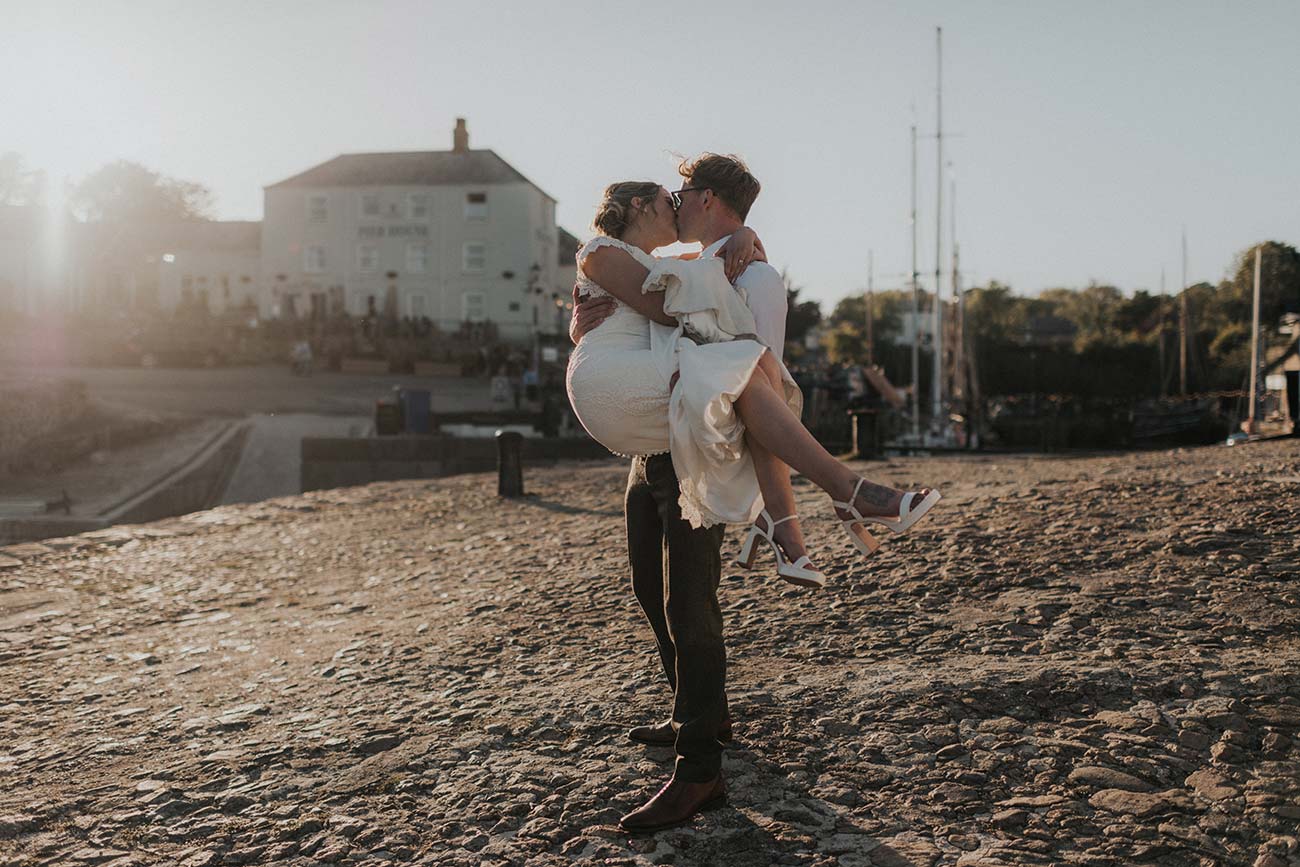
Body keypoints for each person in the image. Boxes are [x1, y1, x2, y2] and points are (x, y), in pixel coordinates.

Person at [567, 154, 941, 832]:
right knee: (650, 588)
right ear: (635, 210)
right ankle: (698, 712)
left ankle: (699, 768)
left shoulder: (719, 269)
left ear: (706, 198)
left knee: (690, 602)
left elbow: (700, 318)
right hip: (649, 438)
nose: (674, 204)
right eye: (664, 197)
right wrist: (730, 246)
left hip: (685, 438)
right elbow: (663, 304)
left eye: (681, 194)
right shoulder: (614, 254)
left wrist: (744, 240)